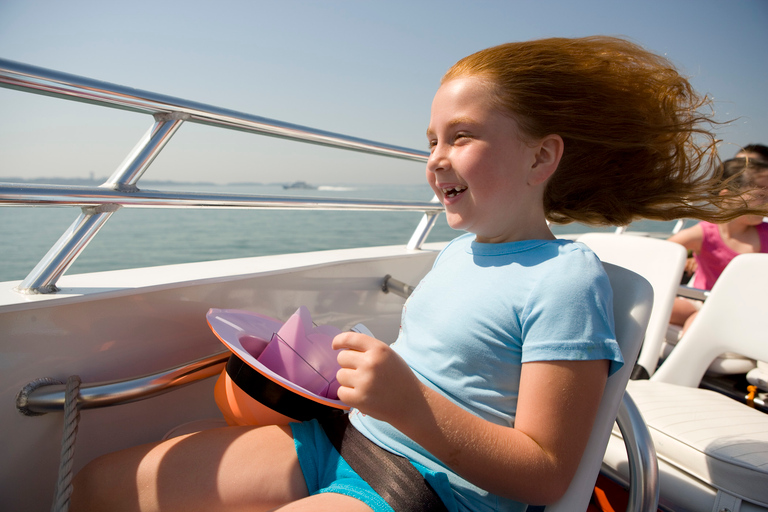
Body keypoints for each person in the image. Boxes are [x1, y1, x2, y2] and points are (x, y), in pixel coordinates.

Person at [70, 36, 768, 512]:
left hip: (435, 489)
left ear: (539, 158)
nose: (436, 157)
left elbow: (548, 471)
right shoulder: (460, 251)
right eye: (430, 140)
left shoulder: (564, 278)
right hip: (348, 439)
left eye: (461, 136)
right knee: (103, 484)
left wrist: (403, 401)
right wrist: (349, 375)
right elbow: (439, 369)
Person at [668, 156, 768, 332]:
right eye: (761, 196)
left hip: (749, 310)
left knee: (698, 321)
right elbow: (659, 256)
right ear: (727, 197)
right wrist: (682, 261)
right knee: (656, 304)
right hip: (701, 301)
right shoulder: (703, 234)